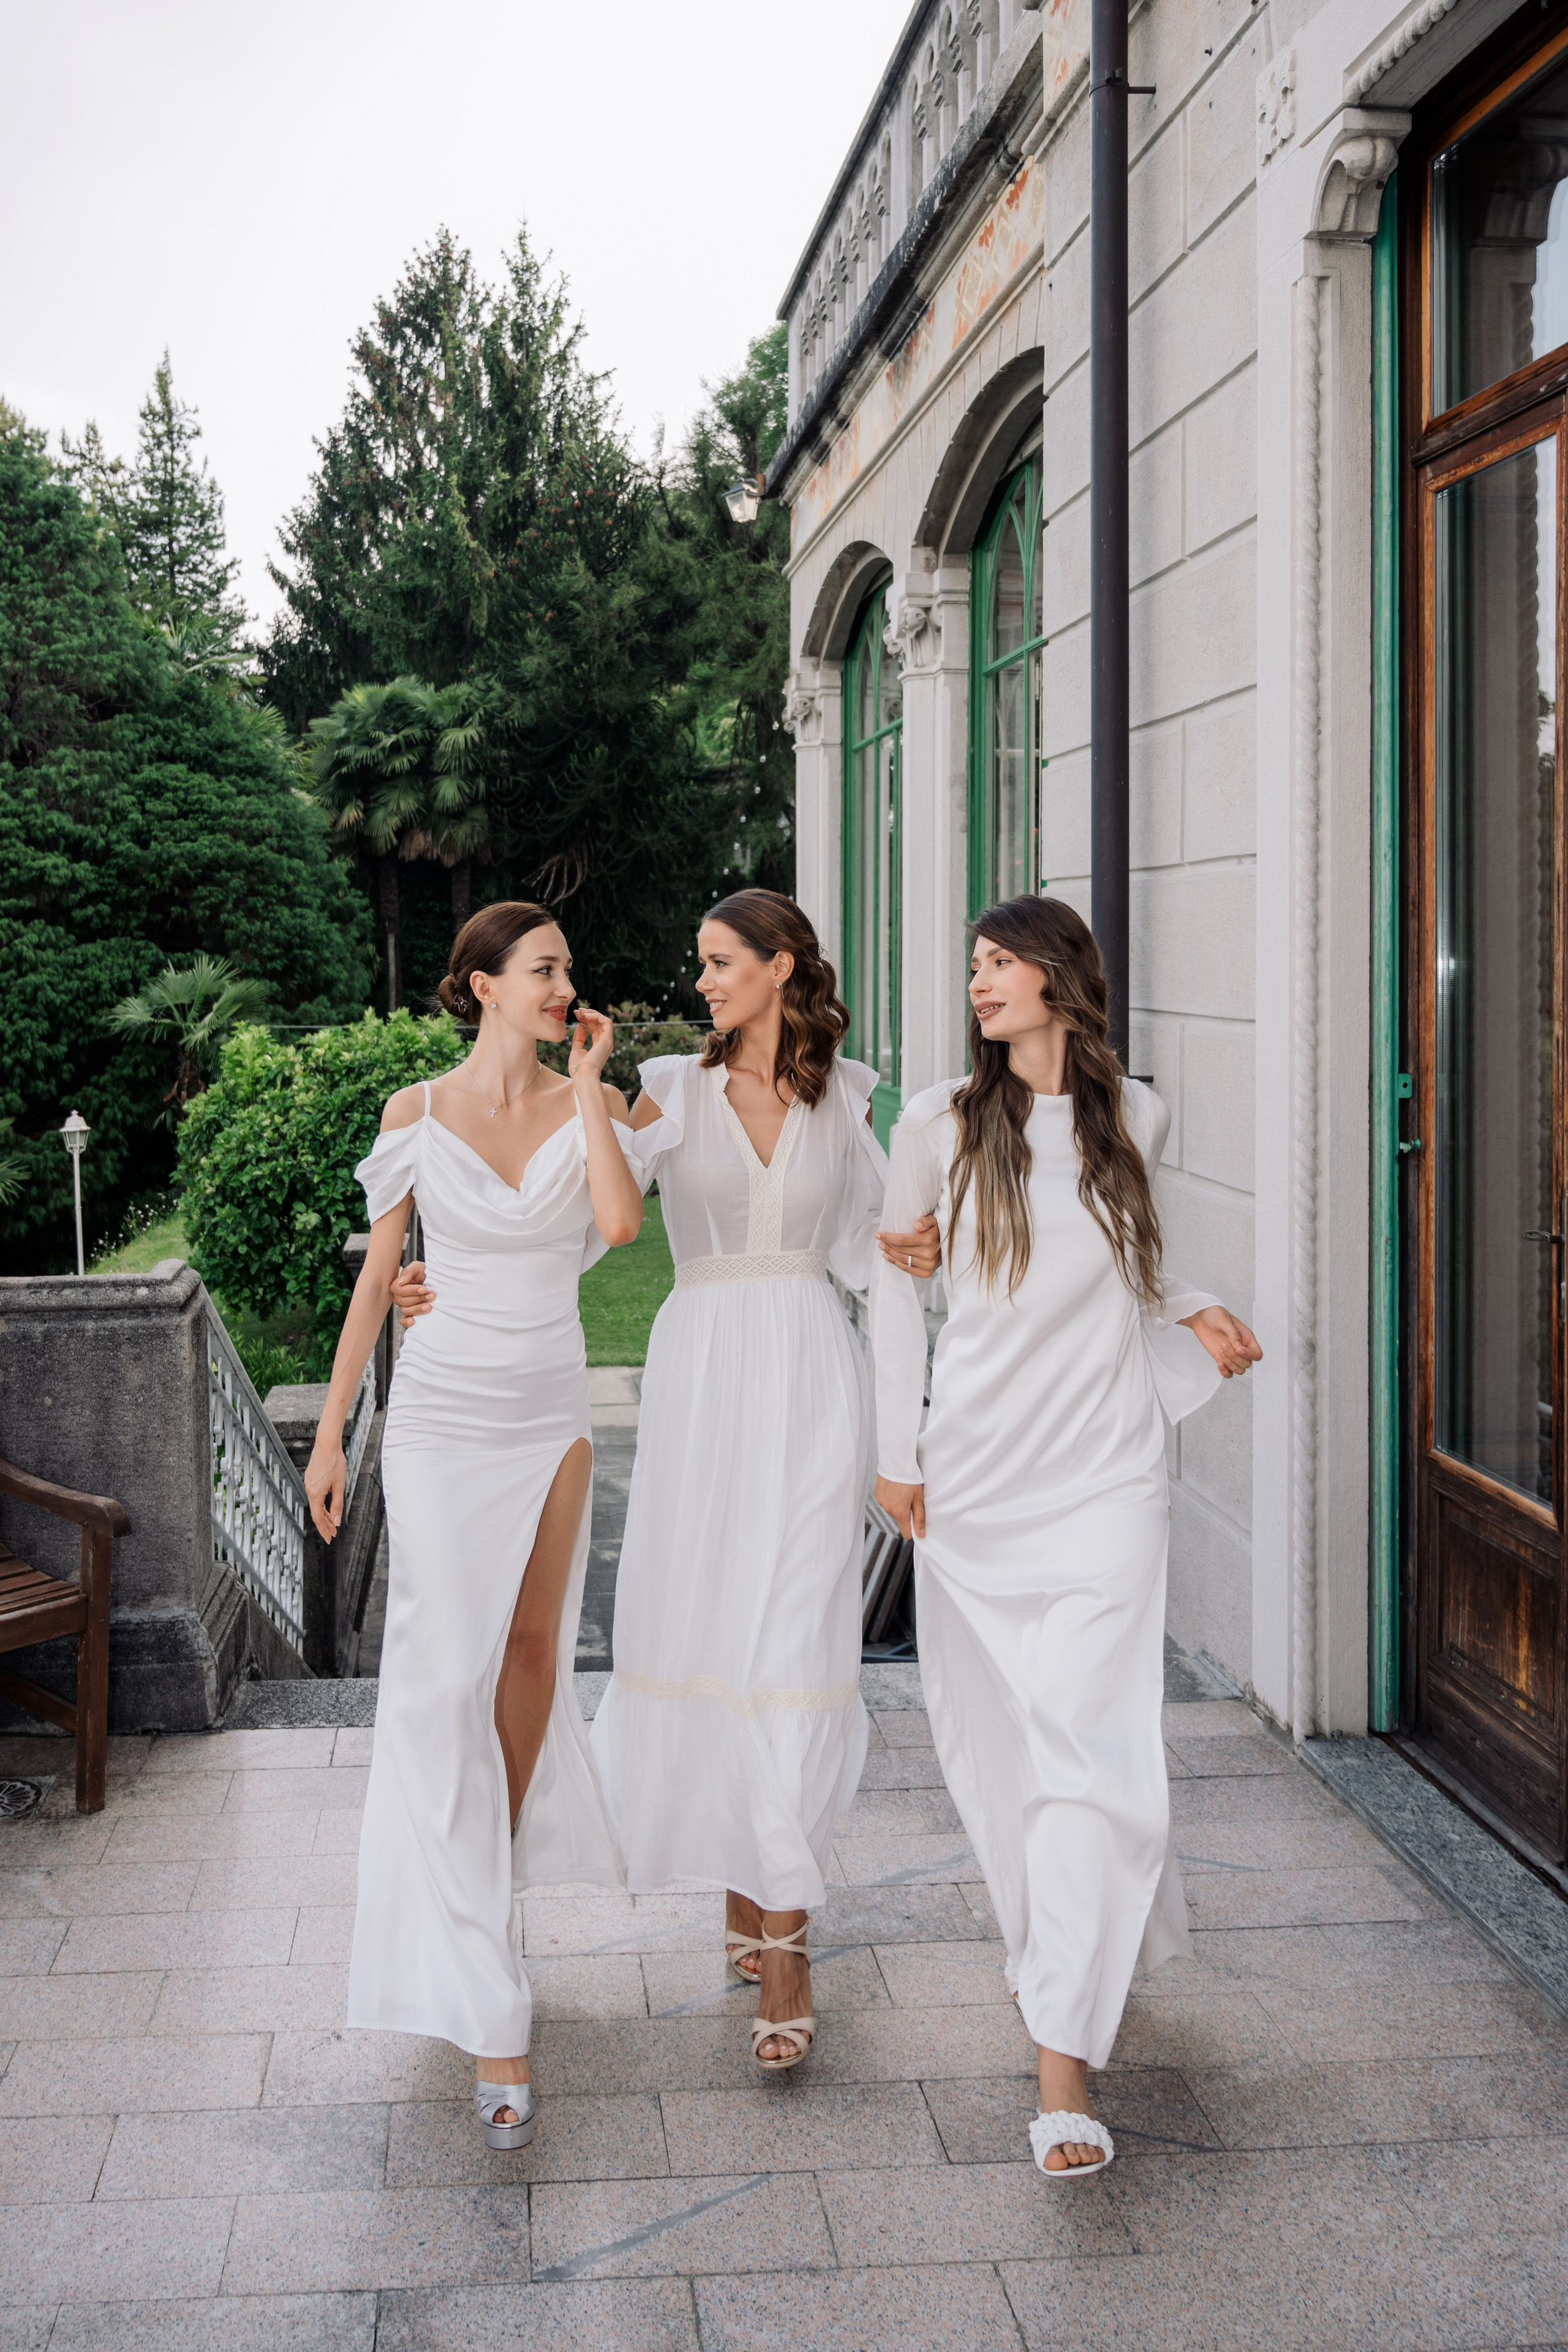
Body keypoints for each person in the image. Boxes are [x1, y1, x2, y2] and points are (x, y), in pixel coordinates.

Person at [870, 894, 1261, 2180]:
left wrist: (1195, 1308)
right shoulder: (933, 1122)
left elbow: (1129, 1267)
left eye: (999, 963)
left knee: (1092, 1750)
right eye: (972, 966)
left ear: (1058, 978)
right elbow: (888, 1287)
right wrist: (893, 1448)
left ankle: (1062, 2071)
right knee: (998, 1750)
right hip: (976, 1478)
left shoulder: (1134, 1115)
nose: (977, 982)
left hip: (1105, 1479)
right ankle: (1059, 1952)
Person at [303, 901, 643, 2152]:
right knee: (442, 1678)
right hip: (444, 1418)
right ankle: (492, 2007)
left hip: (550, 1410)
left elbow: (618, 1227)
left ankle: (482, 1883)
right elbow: (373, 1277)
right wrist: (335, 1431)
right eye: (545, 968)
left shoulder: (588, 1105)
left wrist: (598, 1085)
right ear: (483, 985)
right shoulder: (416, 1116)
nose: (566, 982)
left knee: (527, 1658)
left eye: (567, 965)